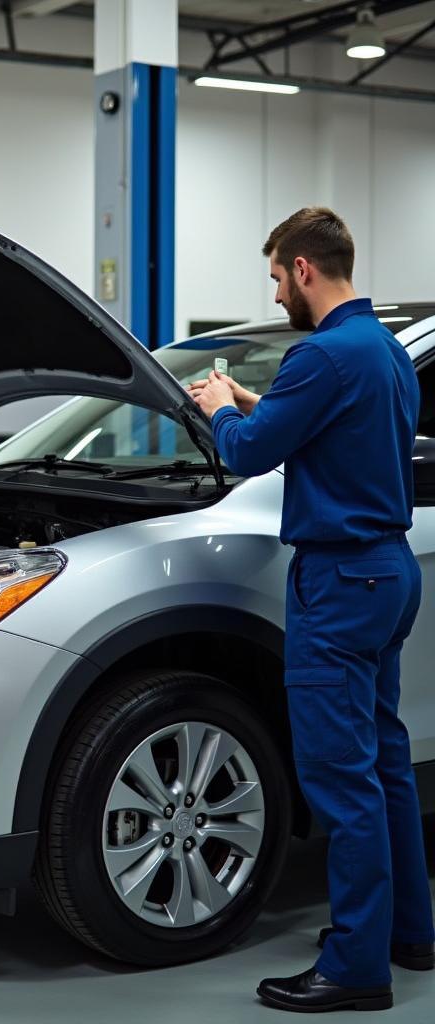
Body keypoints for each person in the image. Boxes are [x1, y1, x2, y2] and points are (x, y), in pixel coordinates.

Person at [189, 208, 434, 1013]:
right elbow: (331, 428)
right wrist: (257, 395)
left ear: (301, 269)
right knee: (386, 761)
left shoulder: (322, 354)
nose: (275, 292)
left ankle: (357, 967)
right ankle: (411, 931)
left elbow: (249, 452)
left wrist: (221, 406)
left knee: (341, 777)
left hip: (337, 584)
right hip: (389, 575)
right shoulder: (385, 352)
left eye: (274, 277)